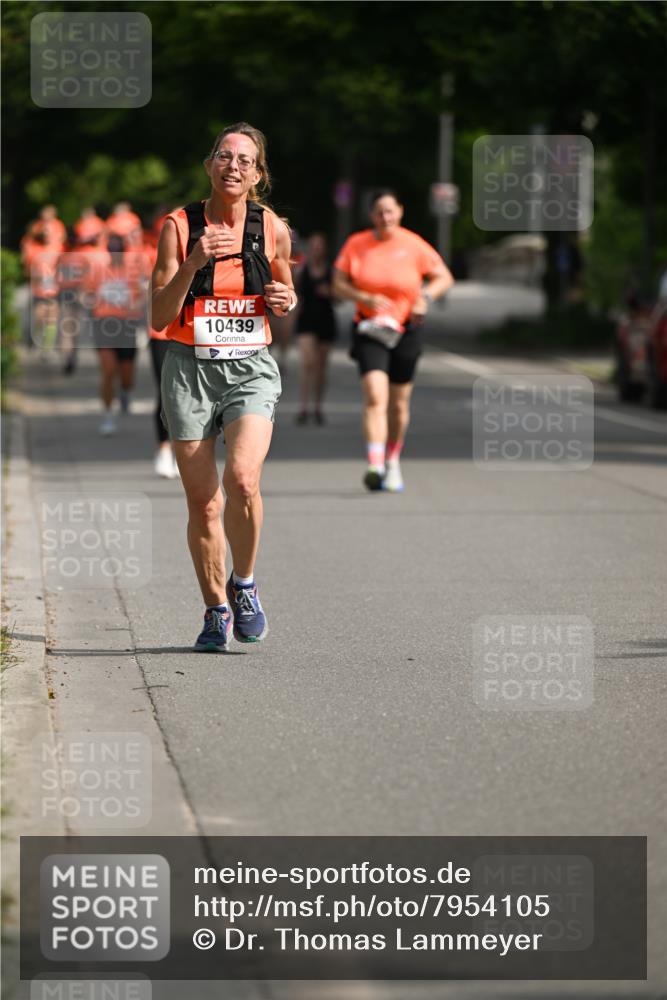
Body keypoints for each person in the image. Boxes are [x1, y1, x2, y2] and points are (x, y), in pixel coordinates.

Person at [151, 122, 295, 652]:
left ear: (257, 174)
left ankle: (244, 584)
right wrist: (194, 262)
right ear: (209, 164)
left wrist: (286, 300)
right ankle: (215, 609)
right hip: (189, 368)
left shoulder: (270, 226)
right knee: (203, 504)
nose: (233, 165)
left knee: (242, 480)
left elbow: (283, 286)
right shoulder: (179, 225)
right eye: (224, 156)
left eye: (245, 160)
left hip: (250, 367)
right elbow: (160, 315)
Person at [333, 189, 454, 492]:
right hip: (370, 329)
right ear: (371, 215)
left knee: (398, 406)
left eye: (390, 211)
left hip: (406, 330)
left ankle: (392, 460)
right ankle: (374, 464)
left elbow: (444, 277)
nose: (385, 217)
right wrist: (363, 297)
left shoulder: (413, 244)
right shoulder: (356, 244)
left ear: (400, 211)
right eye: (378, 212)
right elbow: (337, 284)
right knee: (375, 396)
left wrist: (424, 298)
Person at [90, 234, 147, 435]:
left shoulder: (132, 271)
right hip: (104, 324)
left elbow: (143, 296)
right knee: (108, 371)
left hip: (126, 324)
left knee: (126, 375)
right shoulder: (98, 270)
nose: (115, 256)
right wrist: (89, 304)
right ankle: (107, 416)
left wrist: (136, 307)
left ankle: (126, 392)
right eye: (111, 252)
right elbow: (86, 293)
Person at [294, 233, 337, 424]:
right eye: (314, 246)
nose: (317, 250)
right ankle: (303, 406)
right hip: (306, 321)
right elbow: (292, 292)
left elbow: (340, 297)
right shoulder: (301, 271)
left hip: (326, 320)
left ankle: (318, 406)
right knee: (308, 363)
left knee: (321, 367)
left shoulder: (332, 271)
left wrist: (331, 293)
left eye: (320, 246)